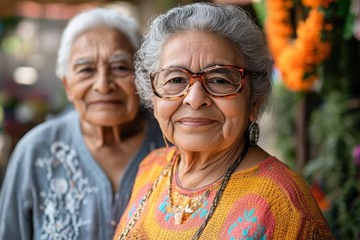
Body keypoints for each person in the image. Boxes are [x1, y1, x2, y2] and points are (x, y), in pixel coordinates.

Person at [114, 3, 334, 239]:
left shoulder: (282, 205)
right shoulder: (151, 168)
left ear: (254, 100)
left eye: (219, 80)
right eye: (176, 79)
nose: (195, 99)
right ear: (153, 97)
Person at [0, 8, 164, 240]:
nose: (103, 85)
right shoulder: (35, 151)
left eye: (120, 67)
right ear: (68, 86)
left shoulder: (170, 143)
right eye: (86, 70)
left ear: (141, 77)